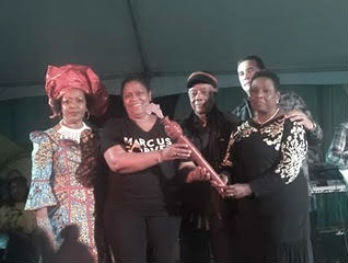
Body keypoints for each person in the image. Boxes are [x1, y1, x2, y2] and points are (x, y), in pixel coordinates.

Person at [100, 75, 209, 263]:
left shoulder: (171, 128)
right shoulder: (114, 127)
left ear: (150, 95)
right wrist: (161, 154)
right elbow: (117, 162)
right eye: (128, 95)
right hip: (125, 213)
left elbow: (184, 163)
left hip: (165, 211)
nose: (134, 98)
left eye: (139, 93)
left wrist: (193, 174)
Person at [219, 70, 310, 262]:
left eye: (266, 91)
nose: (259, 95)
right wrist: (224, 176)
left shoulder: (291, 125)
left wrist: (250, 188)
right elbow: (228, 162)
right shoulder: (240, 130)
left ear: (277, 96)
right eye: (254, 91)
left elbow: (289, 169)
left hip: (284, 209)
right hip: (251, 210)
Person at [24, 64, 108, 262]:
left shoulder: (99, 137)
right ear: (59, 106)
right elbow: (39, 189)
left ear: (87, 105)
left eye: (79, 100)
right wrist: (48, 241)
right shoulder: (46, 139)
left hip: (98, 219)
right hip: (62, 221)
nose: (73, 106)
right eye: (66, 101)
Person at [180, 71, 239, 263]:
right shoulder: (181, 128)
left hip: (224, 203)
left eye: (203, 92)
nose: (198, 97)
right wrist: (190, 172)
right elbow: (177, 164)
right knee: (195, 254)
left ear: (214, 93)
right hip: (192, 204)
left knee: (225, 253)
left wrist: (226, 174)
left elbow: (238, 158)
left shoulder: (231, 124)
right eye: (193, 92)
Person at [233, 55, 322, 179]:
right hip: (258, 186)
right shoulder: (238, 114)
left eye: (250, 70)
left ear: (263, 72)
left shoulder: (291, 100)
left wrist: (310, 125)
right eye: (241, 73)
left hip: (293, 184)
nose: (245, 76)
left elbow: (317, 139)